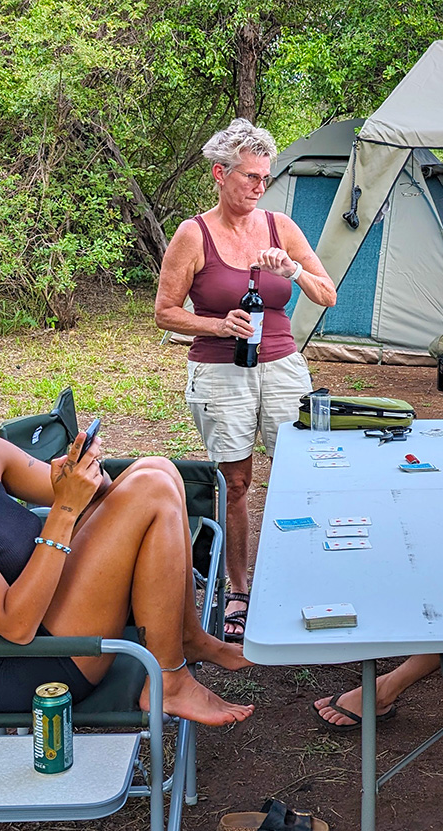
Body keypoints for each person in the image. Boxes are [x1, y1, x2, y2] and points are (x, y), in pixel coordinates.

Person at [0, 364, 255, 725]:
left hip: (48, 612)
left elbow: (91, 496)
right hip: (19, 662)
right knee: (150, 487)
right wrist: (66, 508)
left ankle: (187, 638)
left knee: (158, 469)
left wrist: (84, 475)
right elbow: (15, 624)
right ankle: (168, 681)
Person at [154, 118, 337, 644]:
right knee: (236, 484)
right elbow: (165, 312)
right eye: (250, 177)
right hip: (219, 370)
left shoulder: (280, 228)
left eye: (265, 178)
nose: (260, 187)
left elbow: (326, 293)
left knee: (300, 474)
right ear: (220, 174)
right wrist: (217, 323)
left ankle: (298, 577)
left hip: (282, 366)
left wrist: (293, 273)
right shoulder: (194, 234)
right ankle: (239, 590)